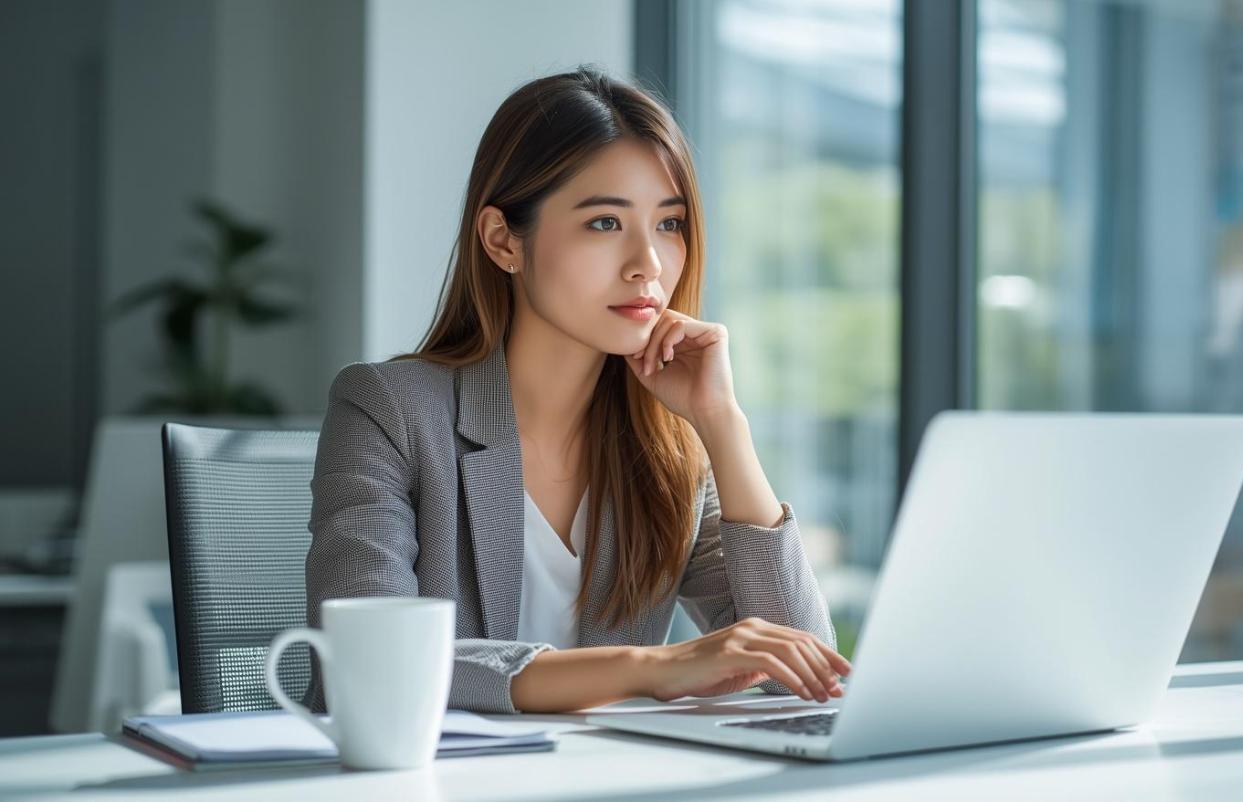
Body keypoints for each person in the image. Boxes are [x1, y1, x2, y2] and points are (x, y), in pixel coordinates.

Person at [302, 66, 851, 714]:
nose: (648, 263)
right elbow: (369, 663)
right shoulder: (389, 409)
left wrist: (722, 424)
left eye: (669, 224)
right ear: (503, 240)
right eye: (605, 223)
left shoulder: (670, 447)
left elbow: (805, 670)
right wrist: (649, 668)